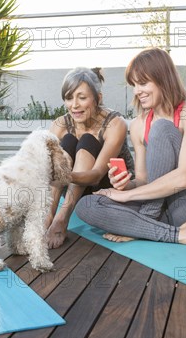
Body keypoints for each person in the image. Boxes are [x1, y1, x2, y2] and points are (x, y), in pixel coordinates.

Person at [74, 48, 186, 250]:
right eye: (134, 85)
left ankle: (142, 223)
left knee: (162, 129)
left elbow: (185, 177)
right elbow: (145, 180)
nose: (137, 91)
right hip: (163, 209)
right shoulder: (137, 125)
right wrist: (125, 185)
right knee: (87, 205)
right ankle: (179, 234)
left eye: (143, 83)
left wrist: (126, 196)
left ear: (164, 79)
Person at [45, 67, 135, 249]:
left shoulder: (114, 123)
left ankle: (62, 219)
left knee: (87, 139)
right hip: (72, 185)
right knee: (68, 140)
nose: (74, 105)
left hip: (106, 186)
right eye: (69, 98)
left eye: (82, 98)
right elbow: (47, 168)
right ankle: (48, 217)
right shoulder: (60, 124)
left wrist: (61, 174)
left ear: (98, 98)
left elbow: (95, 175)